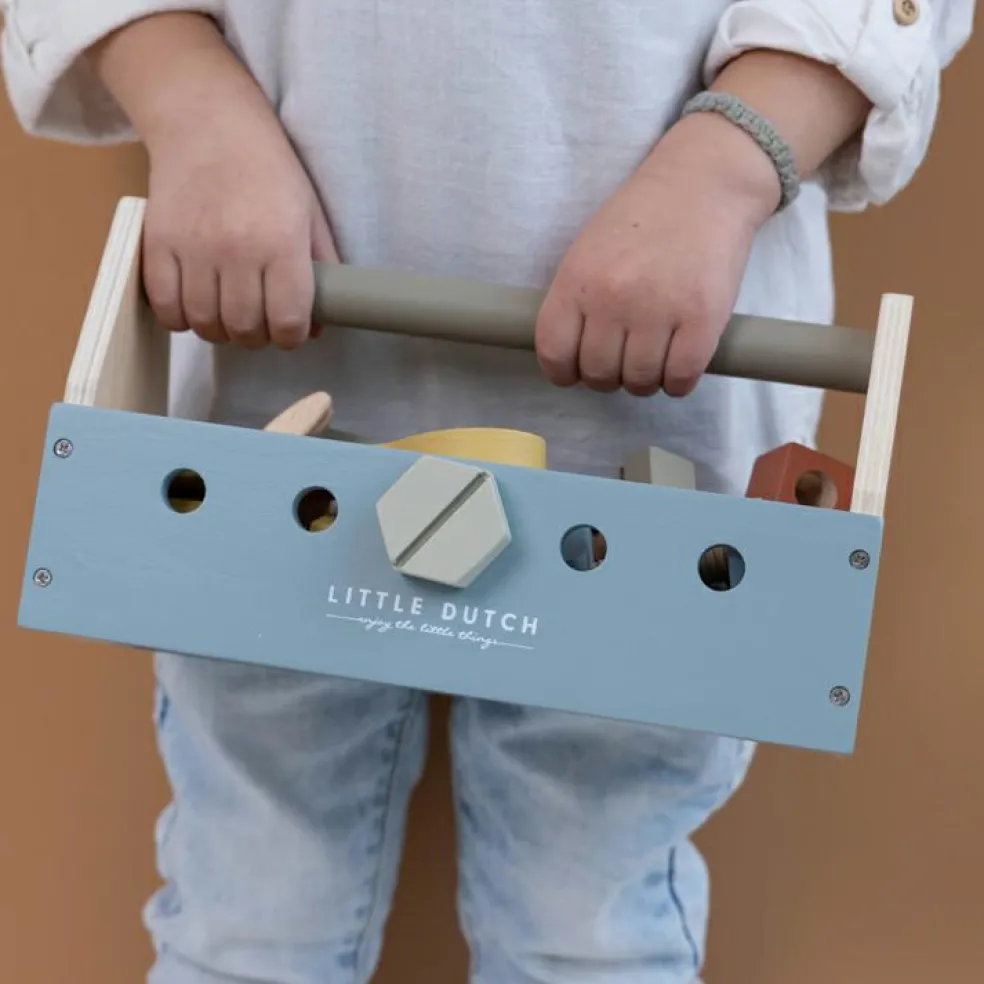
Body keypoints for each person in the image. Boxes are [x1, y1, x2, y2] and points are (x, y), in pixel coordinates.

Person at [1, 2, 974, 982]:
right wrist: (193, 107)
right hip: (273, 428)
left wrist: (725, 166)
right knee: (253, 920)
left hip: (650, 463)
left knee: (579, 939)